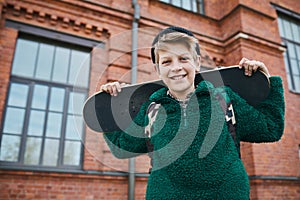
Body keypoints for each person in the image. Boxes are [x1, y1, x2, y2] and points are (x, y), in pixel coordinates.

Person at [100, 26, 285, 199]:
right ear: (158, 69)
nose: (176, 67)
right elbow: (122, 146)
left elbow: (270, 128)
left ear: (197, 62)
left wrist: (269, 82)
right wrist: (109, 107)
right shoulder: (152, 109)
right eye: (166, 61)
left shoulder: (222, 98)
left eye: (183, 59)